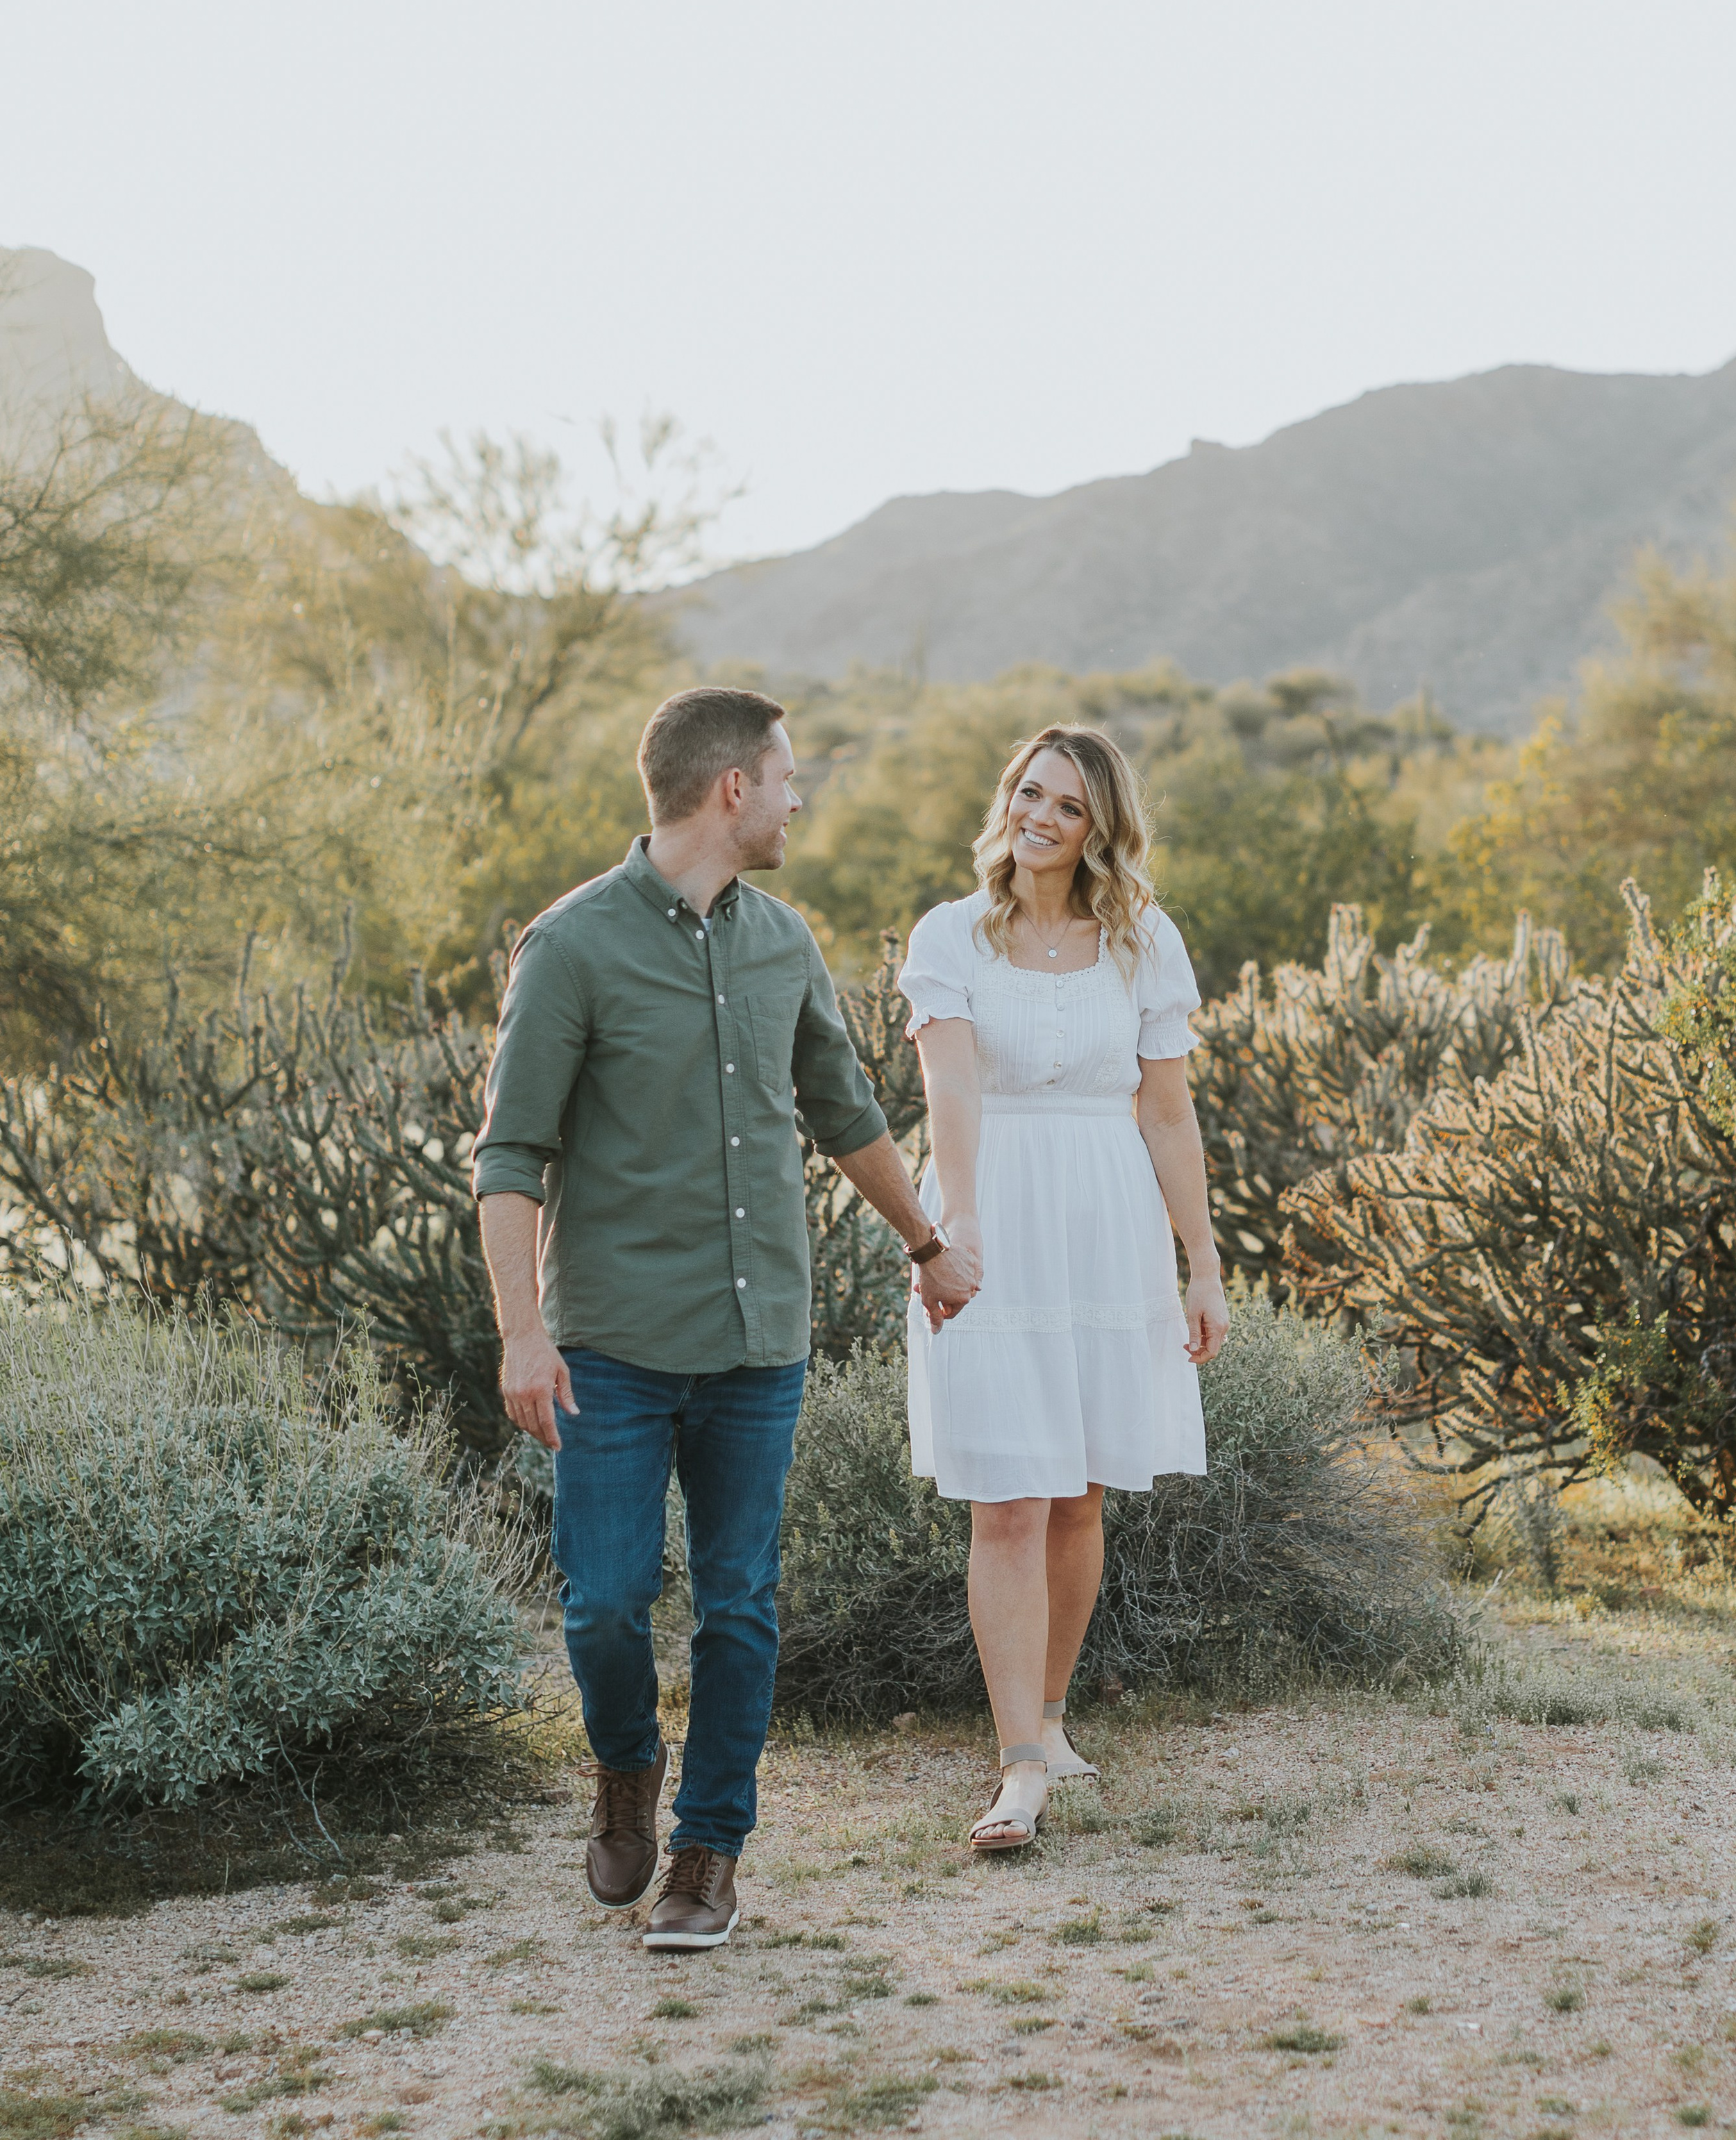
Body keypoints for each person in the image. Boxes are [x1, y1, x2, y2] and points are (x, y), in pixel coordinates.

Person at [472, 686, 971, 1949]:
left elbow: (845, 1112)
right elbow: (511, 1155)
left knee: (742, 1602)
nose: (799, 799)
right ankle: (626, 1766)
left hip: (761, 1347)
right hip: (614, 1350)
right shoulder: (572, 947)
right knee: (601, 1604)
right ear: (730, 789)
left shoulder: (782, 943)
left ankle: (706, 1852)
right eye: (787, 777)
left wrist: (925, 1243)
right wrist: (522, 1334)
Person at [898, 722, 1229, 1852]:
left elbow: (1168, 1111)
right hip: (996, 1217)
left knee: (1081, 1492)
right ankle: (1020, 1772)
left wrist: (1204, 1259)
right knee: (1008, 1499)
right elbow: (949, 1087)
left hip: (1108, 1221)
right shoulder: (951, 938)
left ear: (1102, 829)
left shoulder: (1144, 943)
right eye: (1029, 792)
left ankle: (1051, 1713)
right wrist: (962, 1221)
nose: (1040, 817)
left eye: (1069, 805)